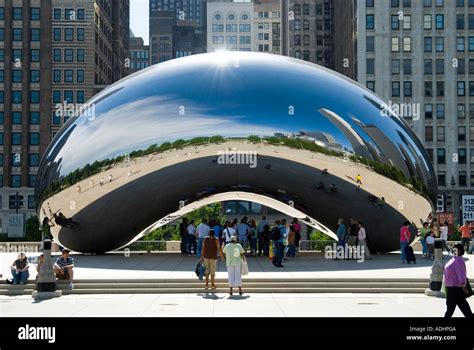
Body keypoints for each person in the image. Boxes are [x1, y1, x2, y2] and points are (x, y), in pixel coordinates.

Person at [443, 243, 473, 318]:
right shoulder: (454, 259)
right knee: (464, 310)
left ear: (459, 251)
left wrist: (464, 287)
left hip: (455, 289)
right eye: (452, 248)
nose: (453, 250)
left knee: (450, 310)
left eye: (455, 249)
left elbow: (462, 274)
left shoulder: (458, 260)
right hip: (452, 288)